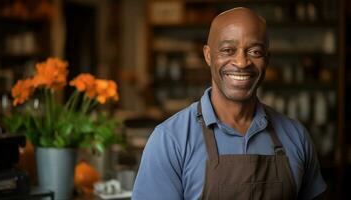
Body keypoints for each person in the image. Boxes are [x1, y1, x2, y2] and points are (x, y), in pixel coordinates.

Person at [132, 7, 326, 200]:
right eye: (228, 50)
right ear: (208, 55)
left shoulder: (296, 136)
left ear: (267, 59)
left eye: (255, 51)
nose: (242, 62)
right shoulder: (170, 140)